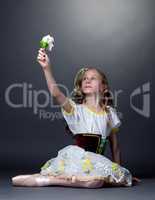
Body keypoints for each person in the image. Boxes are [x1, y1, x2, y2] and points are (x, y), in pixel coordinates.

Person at [12, 47, 139, 188]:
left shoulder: (109, 113)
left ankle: (55, 180)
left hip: (96, 162)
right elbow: (56, 93)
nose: (87, 81)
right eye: (84, 79)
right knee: (95, 183)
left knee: (96, 181)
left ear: (104, 87)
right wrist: (47, 68)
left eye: (93, 78)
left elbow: (115, 146)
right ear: (81, 85)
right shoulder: (75, 109)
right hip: (77, 159)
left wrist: (118, 172)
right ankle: (49, 179)